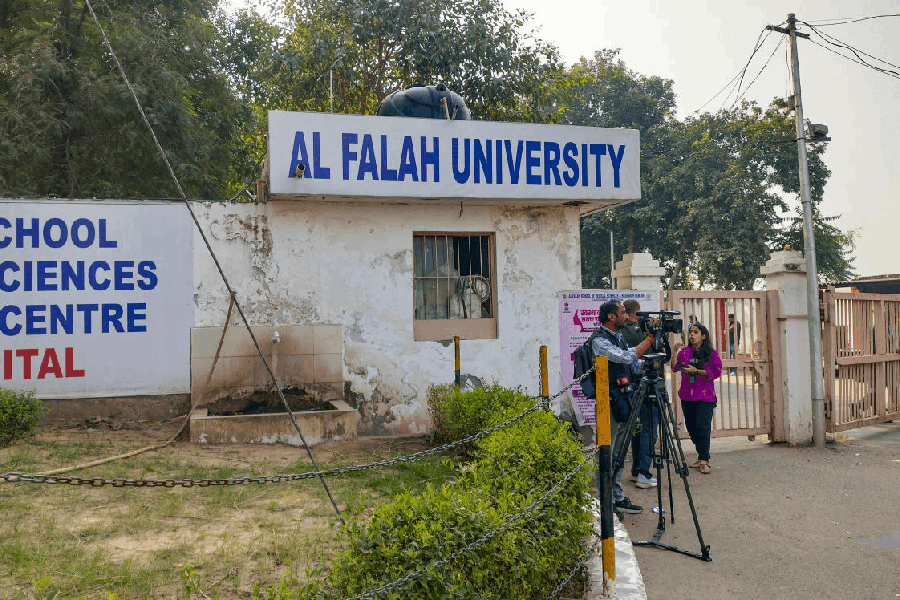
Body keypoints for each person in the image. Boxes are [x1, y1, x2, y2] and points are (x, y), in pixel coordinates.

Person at [592, 300, 657, 515]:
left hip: (622, 400)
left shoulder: (617, 337)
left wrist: (651, 361)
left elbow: (632, 365)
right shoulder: (599, 341)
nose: (627, 317)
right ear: (612, 316)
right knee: (607, 454)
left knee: (619, 454)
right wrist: (649, 339)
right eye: (623, 313)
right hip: (607, 405)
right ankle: (604, 502)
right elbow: (626, 356)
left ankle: (617, 497)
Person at [672, 322, 722, 474]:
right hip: (687, 395)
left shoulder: (711, 353)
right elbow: (675, 367)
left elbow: (716, 372)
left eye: (695, 332)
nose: (692, 335)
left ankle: (704, 459)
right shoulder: (685, 352)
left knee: (703, 427)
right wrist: (674, 352)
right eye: (690, 332)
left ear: (703, 336)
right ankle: (701, 456)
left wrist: (698, 372)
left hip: (705, 396)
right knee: (692, 428)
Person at [621, 300, 659, 490]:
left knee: (638, 430)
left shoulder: (622, 331)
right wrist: (653, 333)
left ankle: (637, 470)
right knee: (648, 429)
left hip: (630, 386)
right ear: (637, 312)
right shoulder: (636, 332)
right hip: (644, 384)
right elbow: (656, 352)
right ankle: (644, 472)